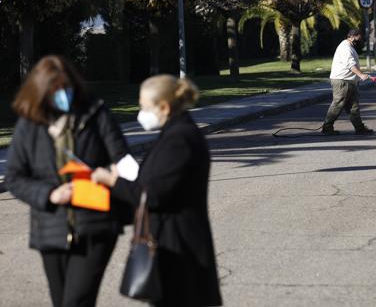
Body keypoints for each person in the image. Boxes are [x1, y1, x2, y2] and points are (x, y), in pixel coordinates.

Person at [5, 55, 130, 307]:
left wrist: (114, 174)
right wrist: (50, 195)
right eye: (56, 90)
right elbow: (14, 177)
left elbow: (122, 159)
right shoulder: (30, 124)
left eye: (67, 87)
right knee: (62, 301)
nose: (63, 94)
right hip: (51, 229)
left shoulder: (96, 113)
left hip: (96, 225)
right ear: (41, 92)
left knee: (76, 301)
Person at [92, 75, 222, 307]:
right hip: (173, 246)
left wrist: (113, 181)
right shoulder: (175, 133)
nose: (140, 113)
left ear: (164, 106)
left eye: (144, 106)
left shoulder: (179, 139)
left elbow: (153, 195)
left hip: (180, 249)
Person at [322, 29, 374, 135]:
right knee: (338, 104)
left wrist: (358, 76)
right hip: (342, 81)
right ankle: (327, 128)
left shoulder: (350, 47)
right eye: (358, 39)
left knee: (353, 107)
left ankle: (360, 128)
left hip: (349, 81)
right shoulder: (345, 47)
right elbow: (350, 65)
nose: (359, 41)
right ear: (352, 37)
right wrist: (361, 75)